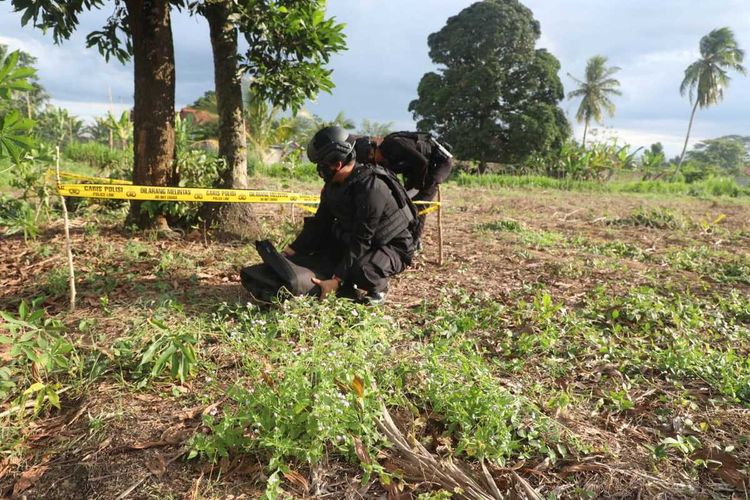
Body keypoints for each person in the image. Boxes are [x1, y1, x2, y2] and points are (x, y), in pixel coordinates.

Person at [272, 126, 417, 305]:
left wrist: (337, 280)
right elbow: (320, 222)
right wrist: (290, 251)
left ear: (337, 163)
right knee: (320, 255)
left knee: (361, 271)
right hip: (360, 240)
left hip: (392, 246)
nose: (319, 170)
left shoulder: (372, 187)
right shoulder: (333, 186)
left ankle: (378, 289)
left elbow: (362, 238)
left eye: (321, 165)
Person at [353, 132, 453, 241]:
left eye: (372, 156)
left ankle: (415, 241)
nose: (375, 161)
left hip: (436, 164)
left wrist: (417, 187)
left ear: (374, 149)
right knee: (407, 203)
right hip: (417, 170)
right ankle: (406, 235)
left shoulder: (393, 144)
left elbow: (422, 162)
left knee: (419, 203)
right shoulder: (383, 162)